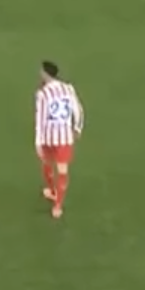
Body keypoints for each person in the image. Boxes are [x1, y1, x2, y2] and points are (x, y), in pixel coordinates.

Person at [33, 61, 82, 220]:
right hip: (64, 138)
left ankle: (54, 193)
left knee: (47, 164)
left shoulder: (42, 94)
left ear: (45, 74)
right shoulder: (68, 88)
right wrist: (77, 127)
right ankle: (57, 205)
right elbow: (77, 109)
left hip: (48, 137)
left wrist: (38, 142)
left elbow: (40, 119)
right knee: (62, 170)